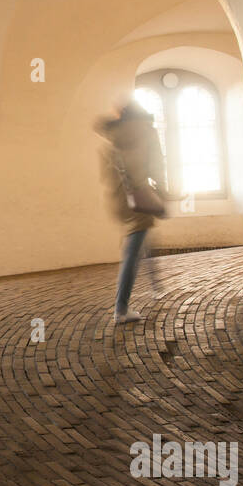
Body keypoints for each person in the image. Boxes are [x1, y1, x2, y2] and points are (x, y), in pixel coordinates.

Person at [94, 102, 168, 323]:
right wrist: (161, 193)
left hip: (119, 201)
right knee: (132, 252)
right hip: (141, 198)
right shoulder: (147, 132)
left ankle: (156, 284)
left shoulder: (108, 141)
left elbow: (105, 176)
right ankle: (121, 309)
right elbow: (157, 166)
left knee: (142, 239)